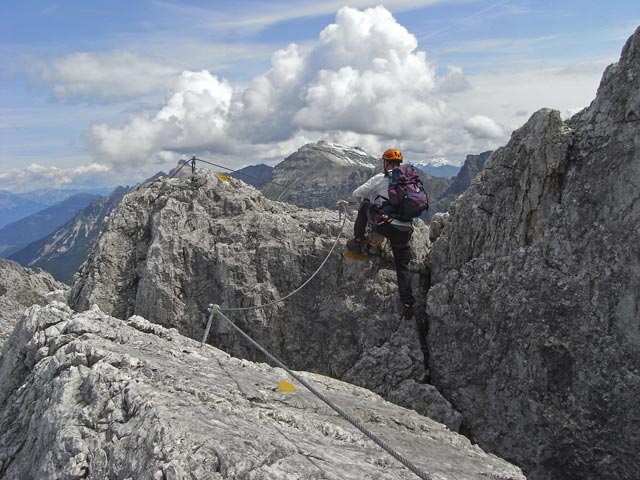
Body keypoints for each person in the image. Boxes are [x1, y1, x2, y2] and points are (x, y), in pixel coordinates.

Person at [347, 148, 415, 318]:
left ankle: (357, 241)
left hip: (387, 226)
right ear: (399, 164)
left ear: (386, 163)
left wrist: (367, 202)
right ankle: (407, 305)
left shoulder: (381, 178)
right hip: (405, 229)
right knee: (402, 267)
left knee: (365, 206)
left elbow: (357, 193)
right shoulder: (410, 180)